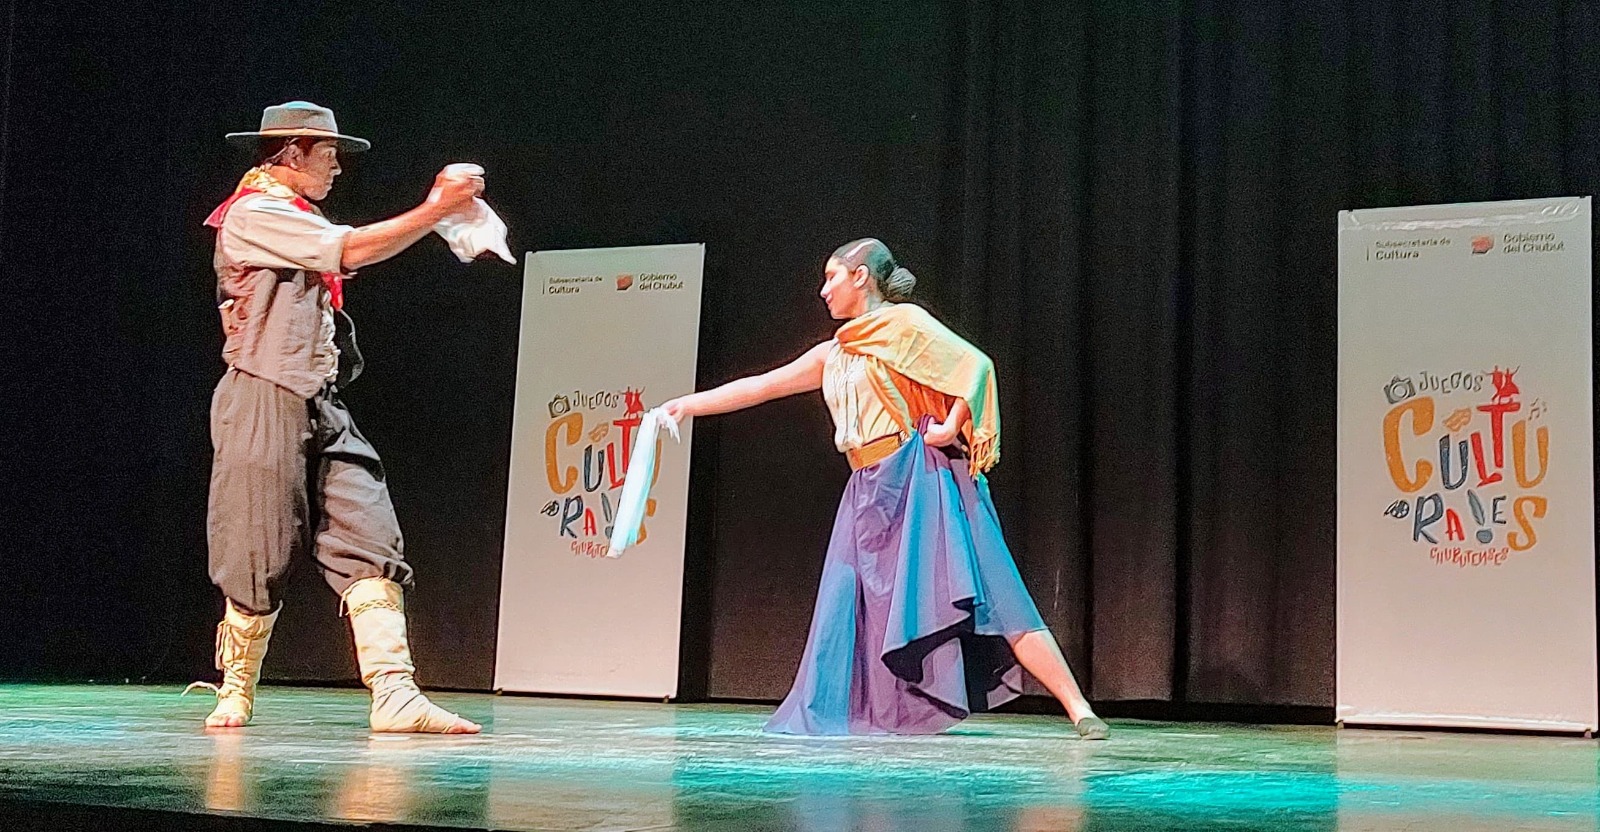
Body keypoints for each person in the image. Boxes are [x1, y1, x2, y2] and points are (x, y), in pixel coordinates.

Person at [661, 238, 1109, 739]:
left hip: (919, 479)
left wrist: (950, 425)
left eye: (831, 277)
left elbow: (975, 367)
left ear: (861, 277)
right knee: (846, 603)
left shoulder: (903, 327)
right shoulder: (834, 352)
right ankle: (865, 713)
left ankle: (1079, 708)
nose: (823, 289)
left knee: (994, 594)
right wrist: (687, 405)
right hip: (867, 489)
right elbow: (762, 385)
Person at [190, 101, 482, 733]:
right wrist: (435, 210)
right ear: (292, 154)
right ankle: (236, 687)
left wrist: (440, 215)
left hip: (320, 398)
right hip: (264, 392)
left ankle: (395, 691)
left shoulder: (296, 214)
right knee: (257, 541)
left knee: (369, 532)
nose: (338, 167)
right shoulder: (252, 213)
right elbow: (349, 249)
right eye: (329, 154)